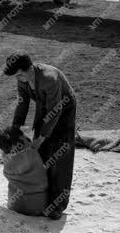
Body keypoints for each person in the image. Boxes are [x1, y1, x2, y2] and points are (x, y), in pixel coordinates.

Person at [4, 53, 76, 220]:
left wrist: (41, 137)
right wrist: (15, 129)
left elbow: (55, 110)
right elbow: (22, 103)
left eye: (20, 74)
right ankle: (43, 197)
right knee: (42, 154)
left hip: (64, 108)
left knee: (60, 154)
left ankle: (58, 204)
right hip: (45, 105)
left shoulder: (49, 78)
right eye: (16, 76)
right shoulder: (22, 78)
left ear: (30, 68)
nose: (18, 78)